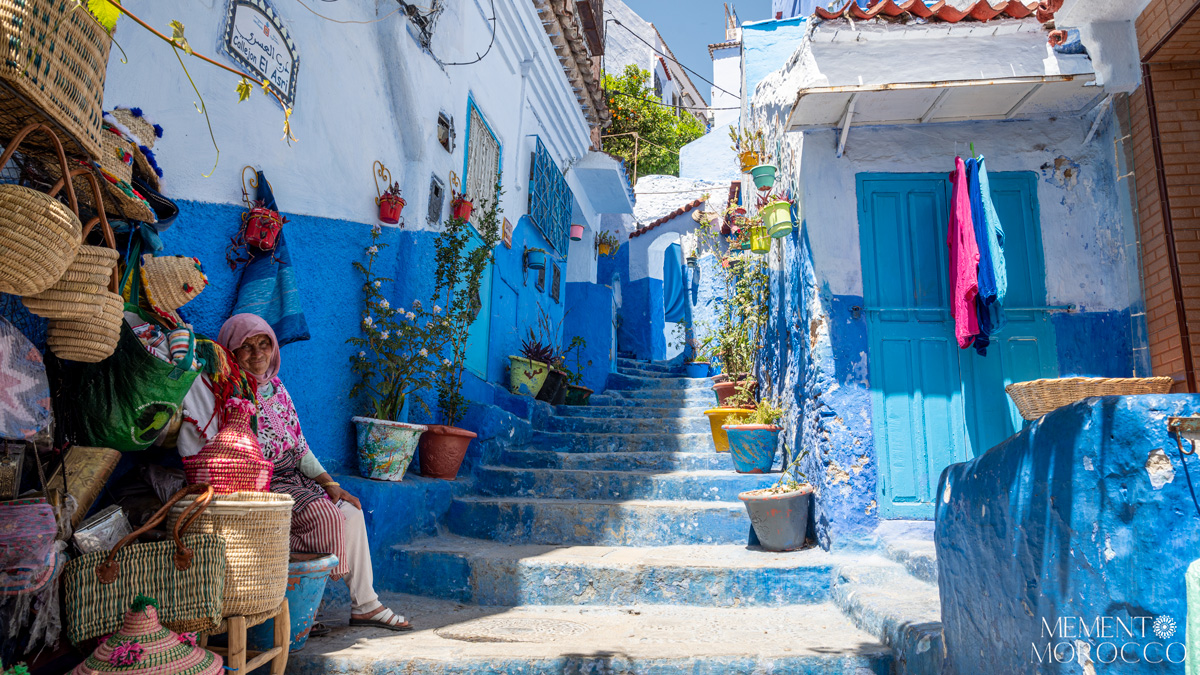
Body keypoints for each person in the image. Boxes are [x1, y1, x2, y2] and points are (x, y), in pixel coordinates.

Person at [175, 313, 411, 631]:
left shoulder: (277, 388)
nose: (258, 354)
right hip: (258, 484)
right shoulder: (224, 392)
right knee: (326, 517)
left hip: (295, 480)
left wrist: (330, 483)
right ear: (230, 351)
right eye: (246, 347)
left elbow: (299, 447)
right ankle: (301, 609)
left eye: (264, 344)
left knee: (351, 512)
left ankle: (365, 605)